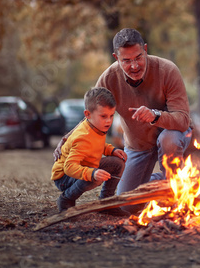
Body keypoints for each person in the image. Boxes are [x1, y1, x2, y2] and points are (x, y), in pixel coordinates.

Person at [54, 28, 192, 214]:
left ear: (145, 49)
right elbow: (91, 118)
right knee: (128, 204)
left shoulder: (167, 70)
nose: (134, 66)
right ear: (116, 58)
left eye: (138, 57)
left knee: (169, 139)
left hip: (171, 135)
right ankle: (179, 180)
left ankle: (176, 188)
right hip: (138, 145)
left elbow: (183, 120)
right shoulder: (108, 79)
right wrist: (66, 140)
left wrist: (155, 115)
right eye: (126, 60)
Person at [51, 87, 128, 215]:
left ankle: (106, 202)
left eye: (111, 115)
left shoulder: (96, 126)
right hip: (64, 178)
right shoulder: (82, 137)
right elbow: (69, 167)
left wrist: (112, 150)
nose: (109, 121)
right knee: (95, 178)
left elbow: (97, 145)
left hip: (84, 166)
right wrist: (92, 173)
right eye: (103, 116)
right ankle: (66, 199)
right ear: (87, 114)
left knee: (117, 163)